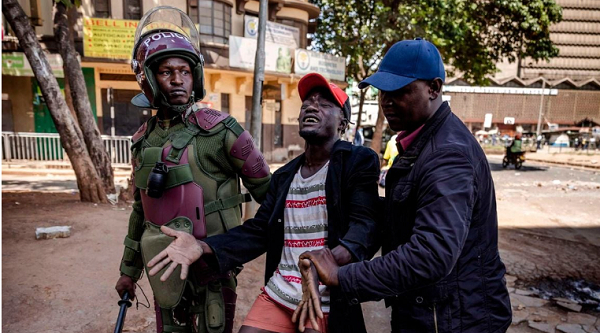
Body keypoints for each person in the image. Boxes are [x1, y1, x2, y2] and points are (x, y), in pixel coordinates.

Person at [296, 38, 512, 333]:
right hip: (432, 312)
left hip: (454, 320)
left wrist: (342, 276)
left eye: (400, 91)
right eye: (383, 91)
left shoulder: (447, 154)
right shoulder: (420, 143)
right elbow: (400, 217)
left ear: (434, 88)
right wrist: (345, 248)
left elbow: (431, 253)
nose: (387, 101)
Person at [146, 73, 381, 333]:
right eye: (307, 104)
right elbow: (259, 231)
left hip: (324, 298)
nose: (312, 107)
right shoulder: (284, 176)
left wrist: (323, 262)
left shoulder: (357, 161)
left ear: (342, 124)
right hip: (279, 294)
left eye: (325, 104)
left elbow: (365, 227)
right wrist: (203, 246)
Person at [114, 7, 271, 333]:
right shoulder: (143, 141)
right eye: (166, 71)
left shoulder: (222, 131)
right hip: (163, 272)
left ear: (195, 76)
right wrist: (129, 271)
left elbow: (271, 197)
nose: (177, 80)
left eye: (185, 71)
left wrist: (234, 250)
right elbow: (139, 210)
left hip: (212, 270)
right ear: (147, 77)